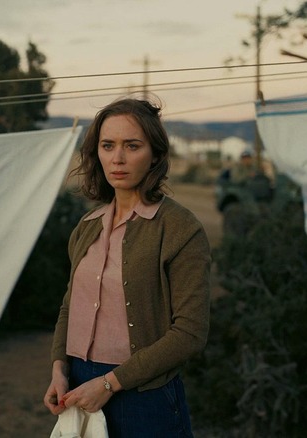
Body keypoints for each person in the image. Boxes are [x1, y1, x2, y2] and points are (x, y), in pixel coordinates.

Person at [43, 98, 211, 437]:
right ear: (96, 153)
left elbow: (190, 333)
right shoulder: (87, 225)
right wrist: (59, 369)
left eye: (131, 146)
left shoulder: (180, 229)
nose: (117, 158)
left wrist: (108, 384)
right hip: (79, 389)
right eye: (108, 146)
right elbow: (69, 307)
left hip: (144, 399)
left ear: (155, 154)